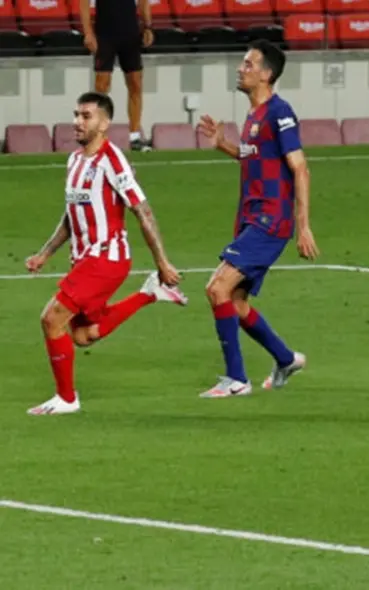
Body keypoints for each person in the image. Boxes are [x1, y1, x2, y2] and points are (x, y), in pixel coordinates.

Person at [24, 91, 186, 415]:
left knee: (51, 318)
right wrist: (45, 254)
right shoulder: (74, 160)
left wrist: (162, 261)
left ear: (105, 123)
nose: (77, 122)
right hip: (84, 260)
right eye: (76, 115)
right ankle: (150, 293)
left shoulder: (112, 161)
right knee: (84, 335)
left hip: (107, 259)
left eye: (86, 116)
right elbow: (71, 217)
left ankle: (66, 399)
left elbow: (143, 211)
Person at [195, 40, 319, 399]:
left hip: (270, 220)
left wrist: (303, 225)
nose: (241, 68)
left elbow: (300, 168)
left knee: (216, 289)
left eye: (249, 64)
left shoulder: (280, 113)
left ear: (267, 74)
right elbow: (255, 159)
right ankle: (285, 359)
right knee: (234, 302)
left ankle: (236, 379)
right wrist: (223, 144)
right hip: (251, 218)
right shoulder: (254, 116)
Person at [80, 0, 154, 151]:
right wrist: (88, 32)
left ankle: (135, 137)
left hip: (130, 33)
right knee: (101, 87)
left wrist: (147, 27)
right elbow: (84, 3)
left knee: (135, 83)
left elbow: (143, 2)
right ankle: (97, 135)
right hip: (105, 34)